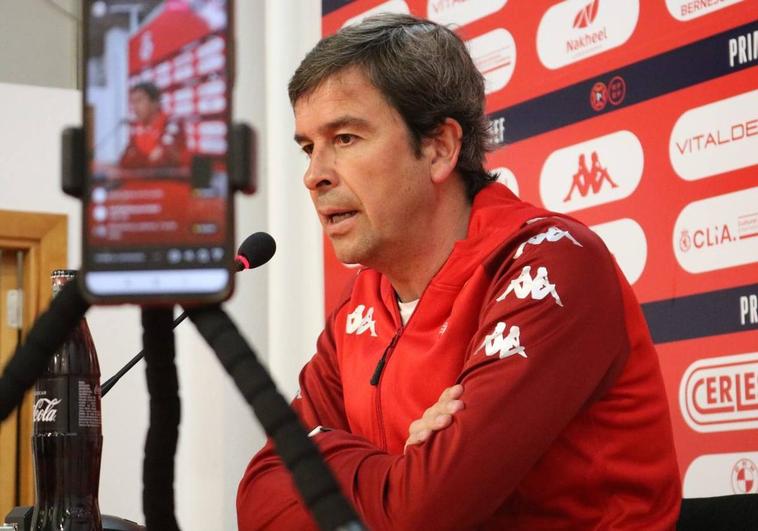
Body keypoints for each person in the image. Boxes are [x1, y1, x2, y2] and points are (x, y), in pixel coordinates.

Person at [237, 14, 681, 530]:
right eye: (309, 147)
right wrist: (401, 470)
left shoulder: (552, 264)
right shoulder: (361, 305)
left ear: (439, 148)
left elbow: (422, 513)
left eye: (346, 138)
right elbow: (258, 495)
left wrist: (343, 467)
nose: (315, 175)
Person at [119, 82, 187, 169]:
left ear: (155, 103)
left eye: (139, 101)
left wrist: (137, 159)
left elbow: (162, 161)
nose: (135, 107)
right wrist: (146, 158)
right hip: (140, 180)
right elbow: (124, 161)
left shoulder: (172, 124)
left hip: (166, 181)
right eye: (133, 102)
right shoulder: (139, 129)